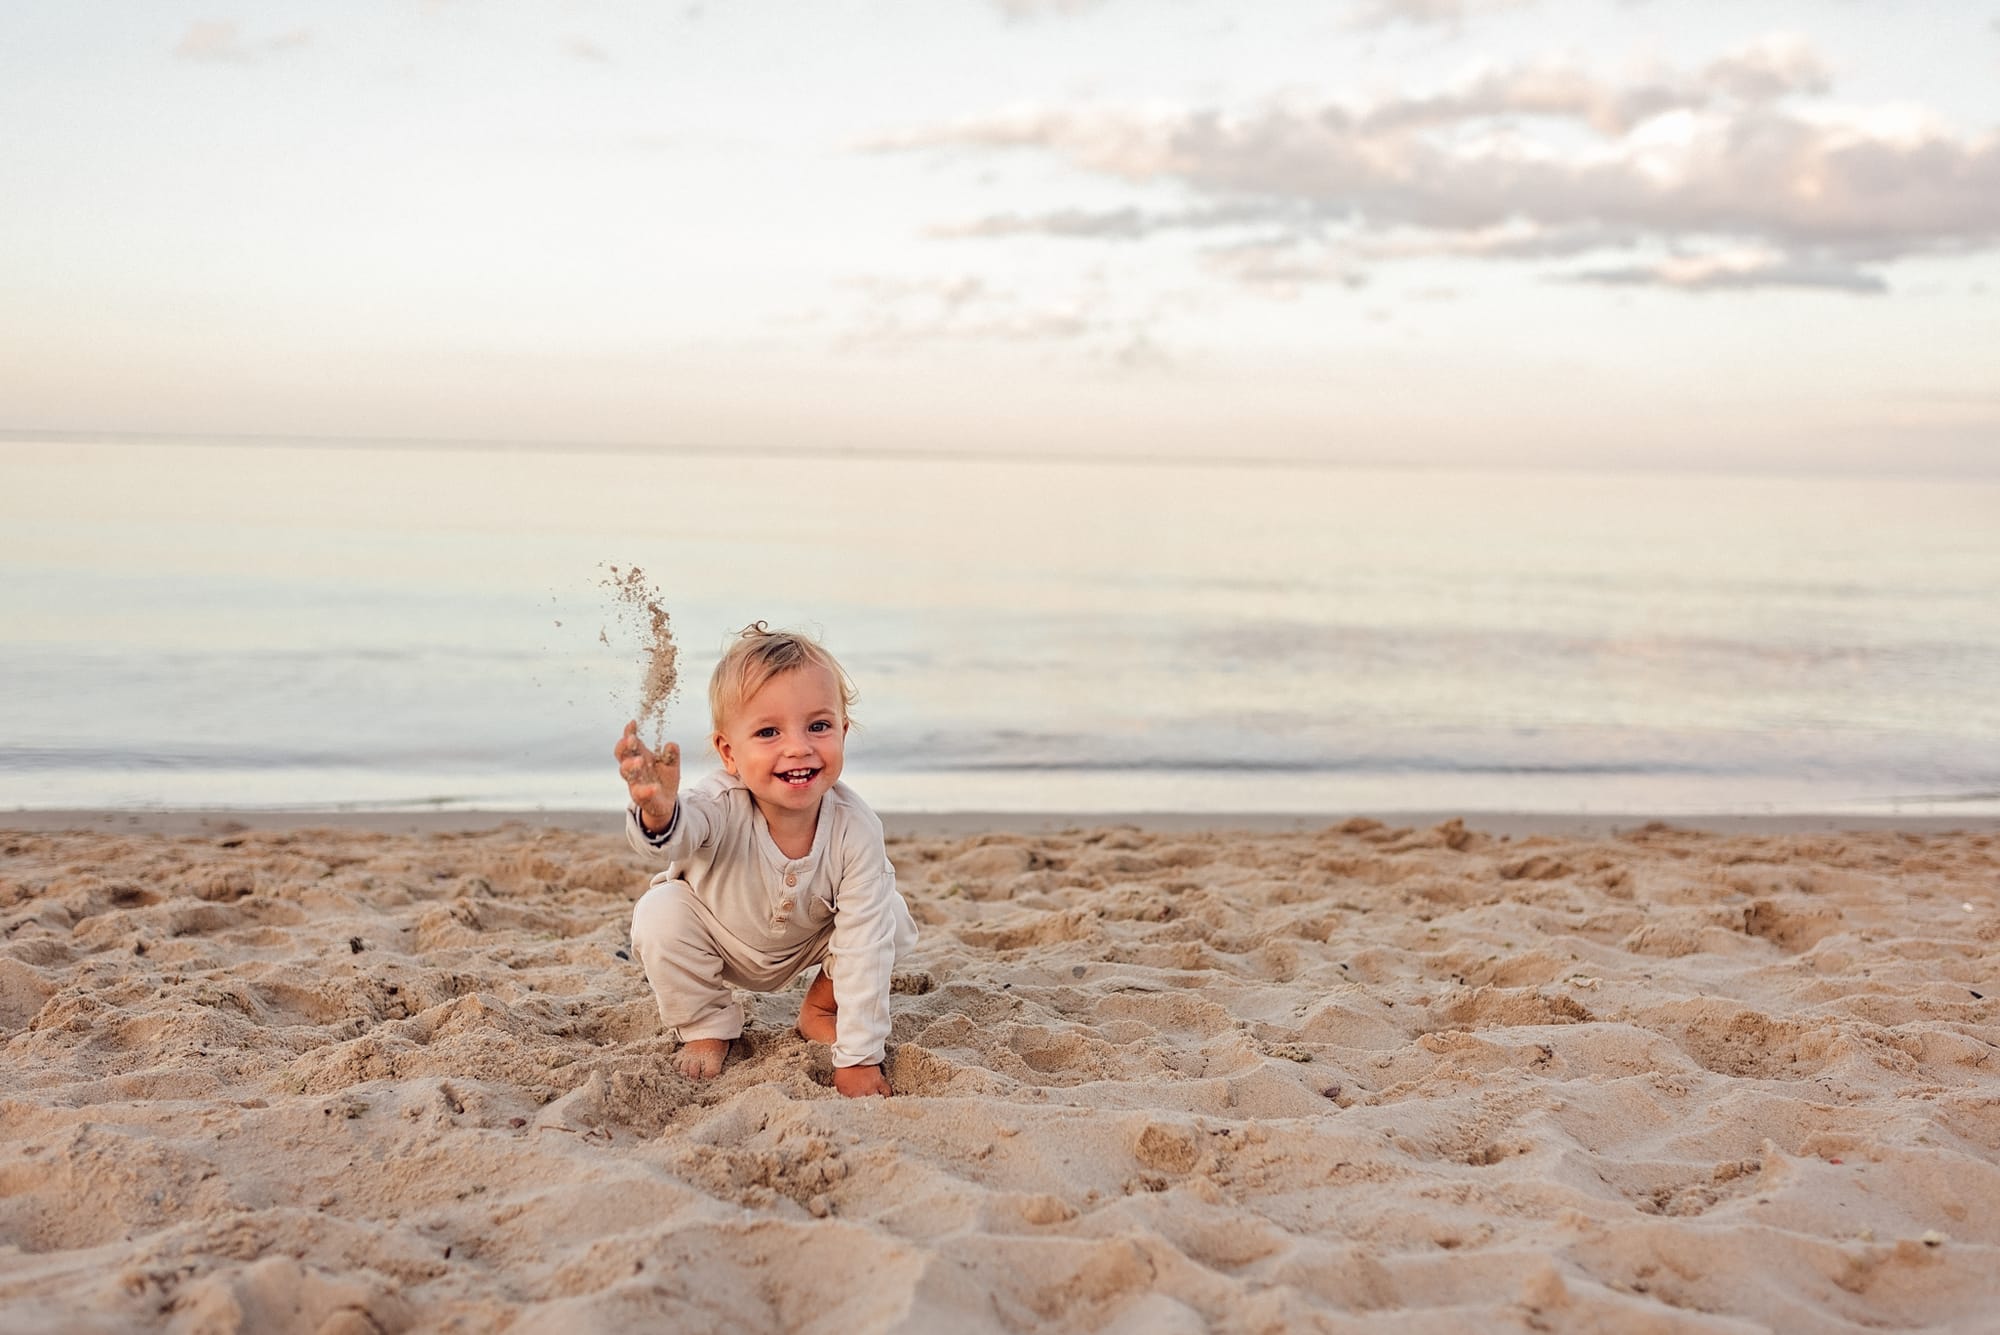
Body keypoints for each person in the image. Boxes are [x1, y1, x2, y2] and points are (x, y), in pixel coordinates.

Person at [613, 623, 917, 1098]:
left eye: (818, 726)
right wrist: (659, 811)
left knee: (889, 920)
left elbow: (861, 945)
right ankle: (705, 1023)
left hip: (807, 941)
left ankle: (819, 1009)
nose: (798, 746)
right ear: (729, 752)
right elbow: (676, 837)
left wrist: (859, 1060)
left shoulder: (856, 828)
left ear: (843, 730)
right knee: (659, 913)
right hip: (716, 935)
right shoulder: (717, 802)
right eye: (768, 732)